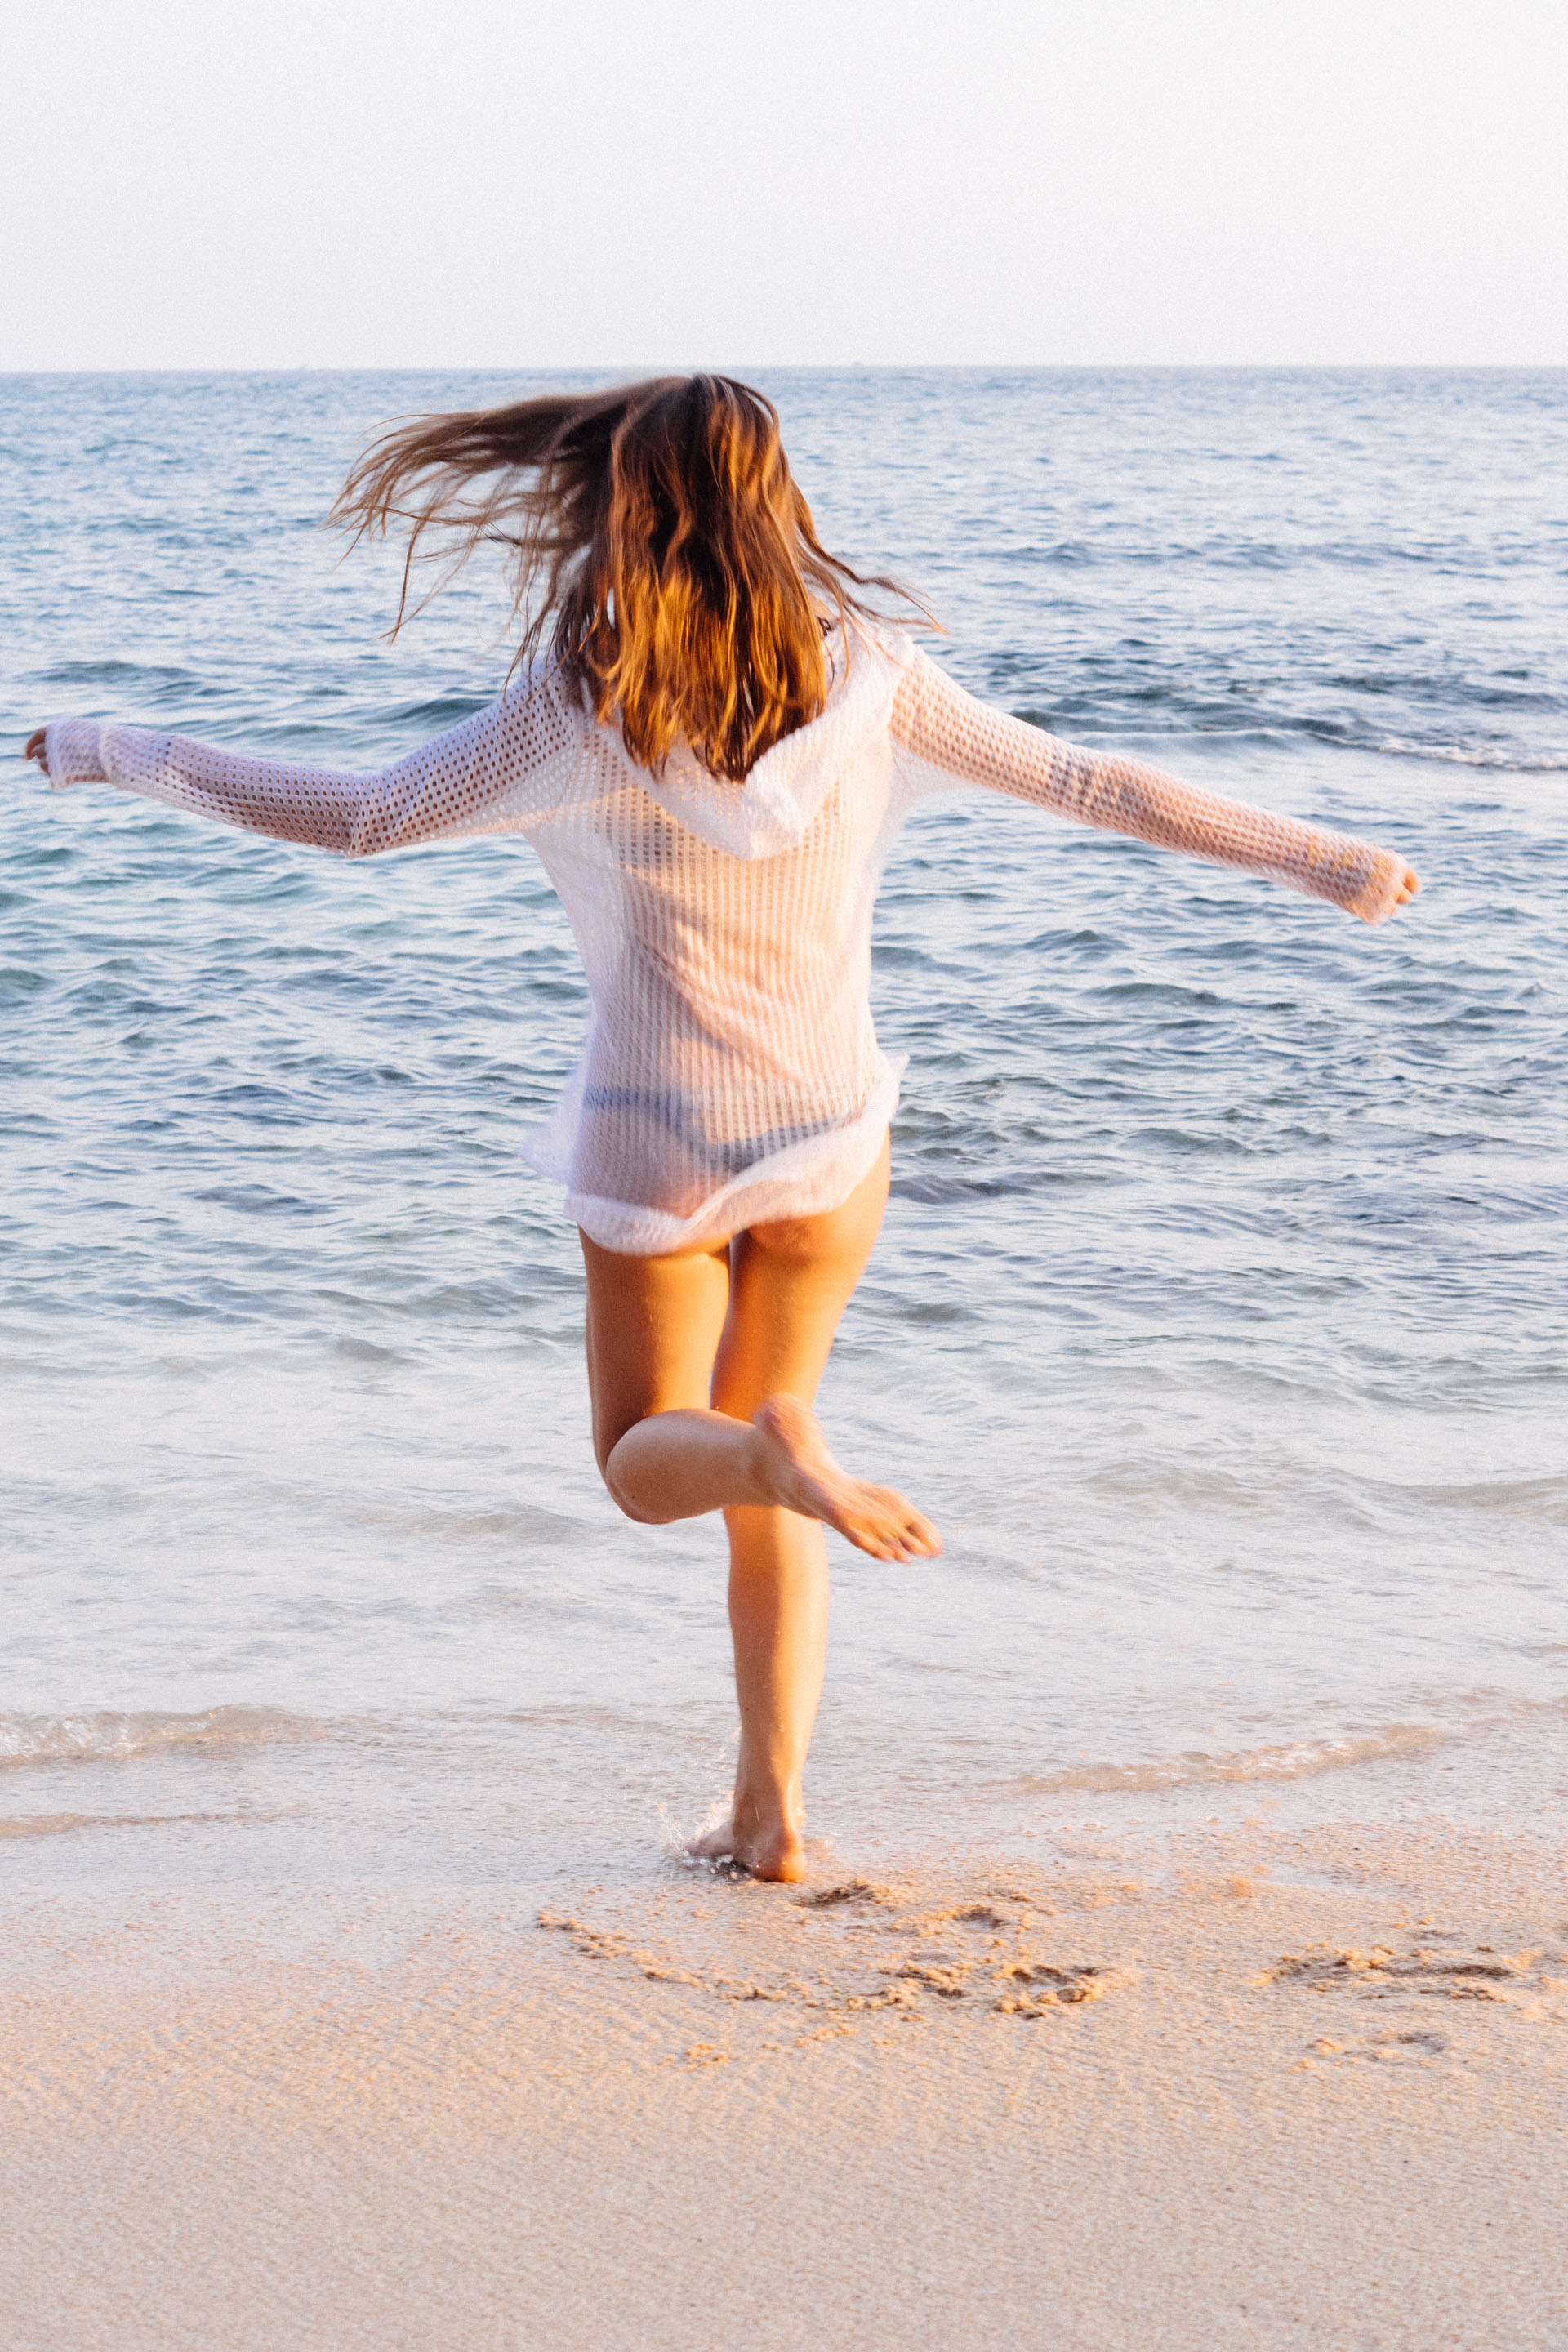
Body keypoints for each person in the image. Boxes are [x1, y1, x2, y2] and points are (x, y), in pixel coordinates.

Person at [25, 375, 1420, 1882]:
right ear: (775, 507)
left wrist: (115, 748)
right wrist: (1322, 857)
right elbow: (1091, 783)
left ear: (626, 509)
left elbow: (360, 816)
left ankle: (774, 1498)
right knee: (771, 1468)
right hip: (830, 1134)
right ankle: (771, 1818)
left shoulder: (583, 700)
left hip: (654, 1141)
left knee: (646, 1459)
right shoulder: (874, 673)